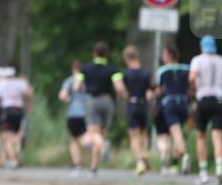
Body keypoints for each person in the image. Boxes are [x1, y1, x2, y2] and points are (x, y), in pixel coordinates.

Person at [189, 35, 222, 185]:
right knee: (217, 136)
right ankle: (220, 167)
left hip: (203, 100)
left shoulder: (197, 60)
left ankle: (203, 173)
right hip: (218, 101)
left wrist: (193, 86)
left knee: (201, 136)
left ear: (202, 47)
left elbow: (192, 77)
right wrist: (219, 83)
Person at [75, 42, 124, 175]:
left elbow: (76, 86)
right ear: (106, 55)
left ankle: (104, 146)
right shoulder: (113, 70)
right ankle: (94, 167)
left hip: (93, 101)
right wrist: (123, 96)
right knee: (101, 133)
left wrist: (83, 90)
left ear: (94, 54)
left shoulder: (84, 69)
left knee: (93, 133)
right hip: (107, 101)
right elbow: (119, 88)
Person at [155, 45, 192, 175]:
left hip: (170, 102)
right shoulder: (187, 68)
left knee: (175, 131)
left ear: (169, 55)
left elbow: (159, 90)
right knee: (179, 133)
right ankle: (175, 164)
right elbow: (191, 86)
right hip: (184, 102)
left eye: (164, 54)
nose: (163, 57)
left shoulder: (162, 71)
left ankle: (184, 154)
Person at [121, 46, 154, 176]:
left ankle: (140, 162)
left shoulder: (126, 73)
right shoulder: (146, 72)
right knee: (144, 133)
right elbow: (151, 91)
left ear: (126, 58)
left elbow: (123, 92)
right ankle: (145, 154)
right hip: (143, 105)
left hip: (133, 104)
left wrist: (125, 96)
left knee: (133, 136)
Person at [0, 66, 31, 169]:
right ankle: (18, 157)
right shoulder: (20, 82)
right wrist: (27, 105)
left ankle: (13, 159)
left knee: (7, 137)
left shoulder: (1, 83)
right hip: (19, 109)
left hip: (7, 110)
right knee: (17, 135)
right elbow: (28, 94)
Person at [58, 61, 91, 176]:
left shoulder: (70, 80)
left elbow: (62, 95)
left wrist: (69, 101)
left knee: (75, 140)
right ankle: (97, 144)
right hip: (90, 112)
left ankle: (77, 166)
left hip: (74, 113)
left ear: (73, 70)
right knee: (86, 135)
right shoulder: (88, 80)